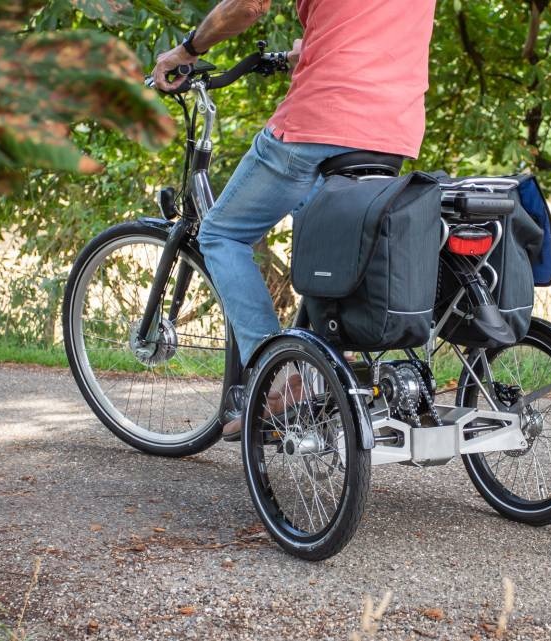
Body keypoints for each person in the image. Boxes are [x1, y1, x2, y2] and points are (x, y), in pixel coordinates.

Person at [153, 0, 437, 439]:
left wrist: (186, 50)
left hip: (319, 122)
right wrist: (309, 51)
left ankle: (280, 377)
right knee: (326, 239)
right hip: (392, 132)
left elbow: (246, 7)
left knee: (222, 234)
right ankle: (322, 374)